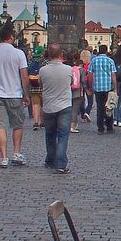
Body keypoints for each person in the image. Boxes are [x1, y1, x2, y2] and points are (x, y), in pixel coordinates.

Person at [0, 23, 30, 168]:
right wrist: (26, 94)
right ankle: (16, 153)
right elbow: (24, 76)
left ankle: (3, 157)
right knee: (17, 124)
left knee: (0, 126)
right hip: (14, 93)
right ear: (11, 37)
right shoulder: (18, 53)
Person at [39, 44, 73, 174]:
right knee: (63, 135)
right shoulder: (68, 69)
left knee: (50, 134)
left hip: (49, 106)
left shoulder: (43, 70)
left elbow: (41, 84)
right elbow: (70, 83)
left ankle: (50, 160)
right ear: (61, 55)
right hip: (64, 105)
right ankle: (61, 164)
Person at [90, 44, 118, 133]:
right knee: (109, 107)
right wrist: (115, 87)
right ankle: (109, 127)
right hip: (108, 87)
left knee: (100, 108)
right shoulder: (110, 61)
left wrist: (91, 86)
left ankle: (100, 128)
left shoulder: (93, 60)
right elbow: (113, 75)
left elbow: (90, 74)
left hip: (98, 87)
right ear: (106, 51)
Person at [27, 49, 47, 130]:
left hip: (33, 86)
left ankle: (35, 122)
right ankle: (42, 122)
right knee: (43, 105)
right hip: (42, 86)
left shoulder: (30, 63)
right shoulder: (45, 63)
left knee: (35, 105)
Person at [67, 52, 83, 133]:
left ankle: (67, 124)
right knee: (75, 110)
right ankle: (73, 126)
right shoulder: (81, 70)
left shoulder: (70, 69)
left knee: (69, 108)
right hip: (78, 91)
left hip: (69, 90)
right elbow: (83, 81)